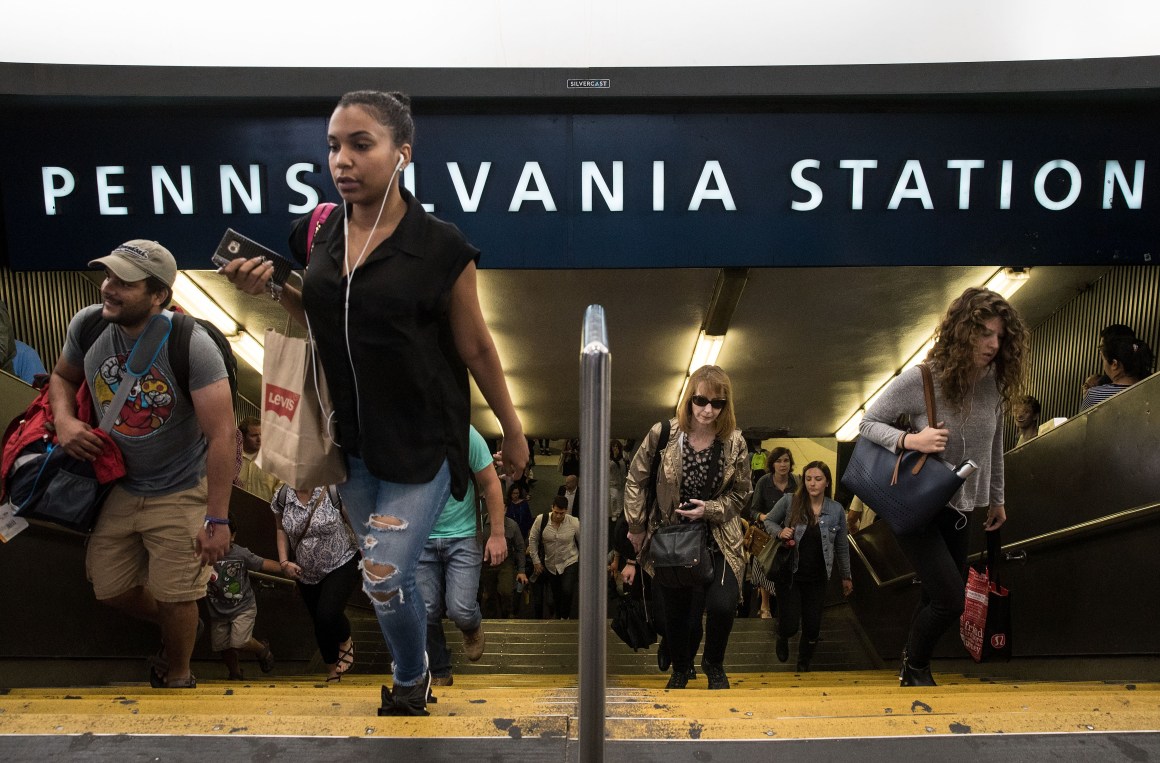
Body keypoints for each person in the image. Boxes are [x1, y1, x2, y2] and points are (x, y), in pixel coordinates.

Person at [223, 90, 527, 716]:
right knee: (388, 578)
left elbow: (475, 345)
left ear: (402, 153)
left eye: (362, 145)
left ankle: (411, 679)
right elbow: (318, 320)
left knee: (383, 573)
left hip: (426, 446)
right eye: (334, 145)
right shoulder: (321, 234)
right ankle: (414, 678)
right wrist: (272, 287)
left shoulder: (439, 245)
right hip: (353, 445)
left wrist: (513, 431)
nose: (343, 159)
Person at [49, 240, 234, 689]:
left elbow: (223, 434)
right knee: (108, 586)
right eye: (108, 276)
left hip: (180, 487)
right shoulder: (88, 325)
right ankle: (183, 620)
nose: (109, 288)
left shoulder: (193, 344)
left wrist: (217, 518)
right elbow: (61, 376)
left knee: (176, 595)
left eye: (124, 283)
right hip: (122, 484)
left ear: (158, 297)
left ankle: (179, 673)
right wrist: (65, 421)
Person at [860, 286, 1027, 687]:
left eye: (999, 336)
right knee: (952, 599)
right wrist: (911, 440)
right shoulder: (923, 379)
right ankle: (915, 666)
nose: (992, 344)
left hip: (961, 508)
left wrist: (997, 500)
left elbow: (995, 448)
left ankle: (911, 666)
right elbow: (867, 423)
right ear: (961, 331)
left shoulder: (993, 385)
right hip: (917, 507)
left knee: (936, 595)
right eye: (984, 332)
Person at [623, 364, 752, 690]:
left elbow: (741, 494)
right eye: (701, 401)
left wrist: (708, 509)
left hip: (719, 538)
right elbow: (636, 480)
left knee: (723, 605)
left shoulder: (734, 442)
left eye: (717, 403)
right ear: (689, 399)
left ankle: (713, 663)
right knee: (677, 616)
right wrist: (636, 526)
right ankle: (681, 669)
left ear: (726, 405)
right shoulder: (663, 434)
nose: (708, 410)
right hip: (672, 537)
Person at [417, 425, 508, 687]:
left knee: (460, 608)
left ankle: (471, 627)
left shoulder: (464, 433)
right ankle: (440, 670)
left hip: (463, 536)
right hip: (421, 538)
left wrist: (498, 535)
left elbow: (491, 483)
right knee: (426, 610)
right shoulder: (407, 431)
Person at [764, 461, 853, 671]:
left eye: (818, 479)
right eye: (808, 479)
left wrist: (846, 576)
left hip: (818, 577)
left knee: (813, 626)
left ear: (827, 482)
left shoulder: (836, 509)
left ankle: (803, 663)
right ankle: (782, 635)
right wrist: (780, 531)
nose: (812, 484)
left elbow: (841, 546)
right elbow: (769, 521)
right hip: (790, 575)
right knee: (790, 623)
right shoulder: (790, 501)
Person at [273, 484, 360, 682]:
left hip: (342, 560)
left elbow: (353, 522)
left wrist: (368, 551)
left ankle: (345, 639)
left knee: (327, 613)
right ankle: (332, 670)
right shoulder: (282, 496)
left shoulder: (332, 490)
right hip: (305, 570)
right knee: (318, 621)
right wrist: (284, 561)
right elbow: (280, 529)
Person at [205, 517, 280, 680]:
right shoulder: (204, 553)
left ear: (232, 536)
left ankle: (262, 650)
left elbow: (261, 563)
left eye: (222, 535)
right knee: (223, 646)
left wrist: (284, 567)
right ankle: (235, 672)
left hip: (242, 607)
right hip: (218, 609)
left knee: (240, 641)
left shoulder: (239, 553)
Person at [743, 446, 797, 618]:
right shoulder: (764, 482)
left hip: (790, 531)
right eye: (779, 461)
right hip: (767, 531)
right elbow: (753, 510)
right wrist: (764, 517)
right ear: (772, 464)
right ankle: (765, 605)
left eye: (786, 460)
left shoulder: (796, 482)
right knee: (764, 562)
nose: (783, 465)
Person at [528, 496, 581, 619]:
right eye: (556, 512)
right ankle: (559, 616)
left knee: (567, 590)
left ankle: (565, 616)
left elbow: (583, 541)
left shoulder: (573, 522)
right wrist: (536, 561)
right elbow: (533, 540)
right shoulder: (542, 520)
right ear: (552, 508)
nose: (558, 516)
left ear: (566, 511)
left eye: (561, 513)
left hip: (570, 559)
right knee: (556, 593)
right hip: (550, 563)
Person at [1080, 334, 1153, 410]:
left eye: (1103, 359)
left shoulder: (1093, 396)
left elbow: (1082, 421)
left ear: (1114, 364)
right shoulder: (1151, 392)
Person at [478, 511, 527, 619]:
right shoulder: (480, 523)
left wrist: (521, 570)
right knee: (489, 596)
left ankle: (508, 615)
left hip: (505, 562)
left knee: (506, 591)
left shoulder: (511, 525)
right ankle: (492, 621)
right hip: (486, 562)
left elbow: (520, 547)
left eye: (502, 507)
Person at [235, 416, 280, 501]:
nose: (259, 439)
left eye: (261, 434)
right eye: (254, 435)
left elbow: (281, 491)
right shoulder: (232, 460)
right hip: (233, 512)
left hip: (264, 512)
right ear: (242, 437)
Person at [608, 440, 628, 549]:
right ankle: (614, 513)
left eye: (616, 446)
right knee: (614, 498)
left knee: (621, 499)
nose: (615, 448)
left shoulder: (623, 459)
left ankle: (620, 513)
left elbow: (624, 471)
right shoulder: (609, 460)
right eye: (613, 446)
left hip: (622, 484)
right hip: (613, 484)